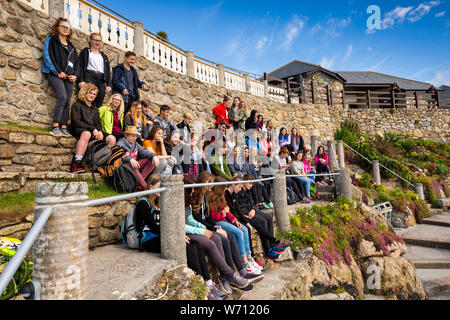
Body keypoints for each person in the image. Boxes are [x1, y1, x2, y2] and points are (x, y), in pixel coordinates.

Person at [231, 176, 292, 260]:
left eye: (252, 184)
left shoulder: (248, 191)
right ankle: (268, 250)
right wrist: (243, 215)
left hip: (251, 211)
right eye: (249, 183)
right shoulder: (237, 192)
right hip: (245, 214)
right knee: (262, 221)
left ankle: (274, 246)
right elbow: (237, 208)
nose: (251, 185)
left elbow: (252, 202)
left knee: (269, 218)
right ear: (244, 182)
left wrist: (253, 209)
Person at [208, 176, 258, 275]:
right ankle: (244, 262)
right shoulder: (212, 198)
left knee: (243, 229)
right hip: (218, 222)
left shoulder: (221, 197)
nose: (226, 189)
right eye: (224, 187)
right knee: (238, 233)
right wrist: (224, 212)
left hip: (224, 219)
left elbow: (228, 212)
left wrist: (235, 220)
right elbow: (215, 216)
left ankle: (249, 257)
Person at [42, 17, 79, 137]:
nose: (65, 29)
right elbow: (47, 56)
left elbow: (76, 64)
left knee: (68, 101)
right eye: (62, 26)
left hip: (68, 77)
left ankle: (63, 126)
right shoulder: (51, 40)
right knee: (62, 97)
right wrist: (57, 71)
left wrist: (75, 75)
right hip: (55, 73)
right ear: (57, 28)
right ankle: (55, 126)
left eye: (67, 27)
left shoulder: (72, 47)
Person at [70, 83, 116, 173]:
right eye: (90, 93)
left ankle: (98, 162)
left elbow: (98, 123)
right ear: (85, 93)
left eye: (94, 94)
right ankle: (77, 163)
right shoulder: (77, 105)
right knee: (87, 134)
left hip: (93, 130)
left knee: (112, 139)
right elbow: (76, 121)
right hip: (79, 128)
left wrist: (100, 131)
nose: (92, 95)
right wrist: (93, 129)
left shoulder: (95, 109)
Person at [77, 32, 112, 108]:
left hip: (101, 80)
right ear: (91, 40)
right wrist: (81, 80)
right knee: (86, 100)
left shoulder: (104, 56)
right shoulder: (86, 52)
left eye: (99, 41)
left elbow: (107, 72)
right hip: (89, 77)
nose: (97, 42)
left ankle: (94, 119)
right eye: (95, 40)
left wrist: (109, 84)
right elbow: (80, 66)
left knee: (99, 102)